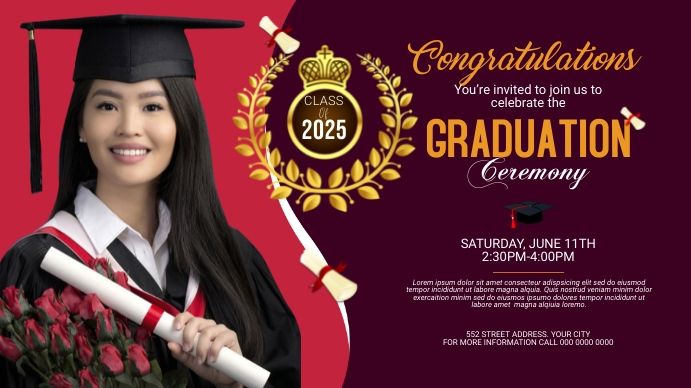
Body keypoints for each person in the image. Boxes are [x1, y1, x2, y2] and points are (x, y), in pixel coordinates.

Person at [0, 15, 300, 387]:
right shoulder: (35, 269)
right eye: (107, 106)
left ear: (182, 122)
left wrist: (234, 384)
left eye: (153, 107)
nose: (129, 126)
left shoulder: (233, 259)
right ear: (81, 124)